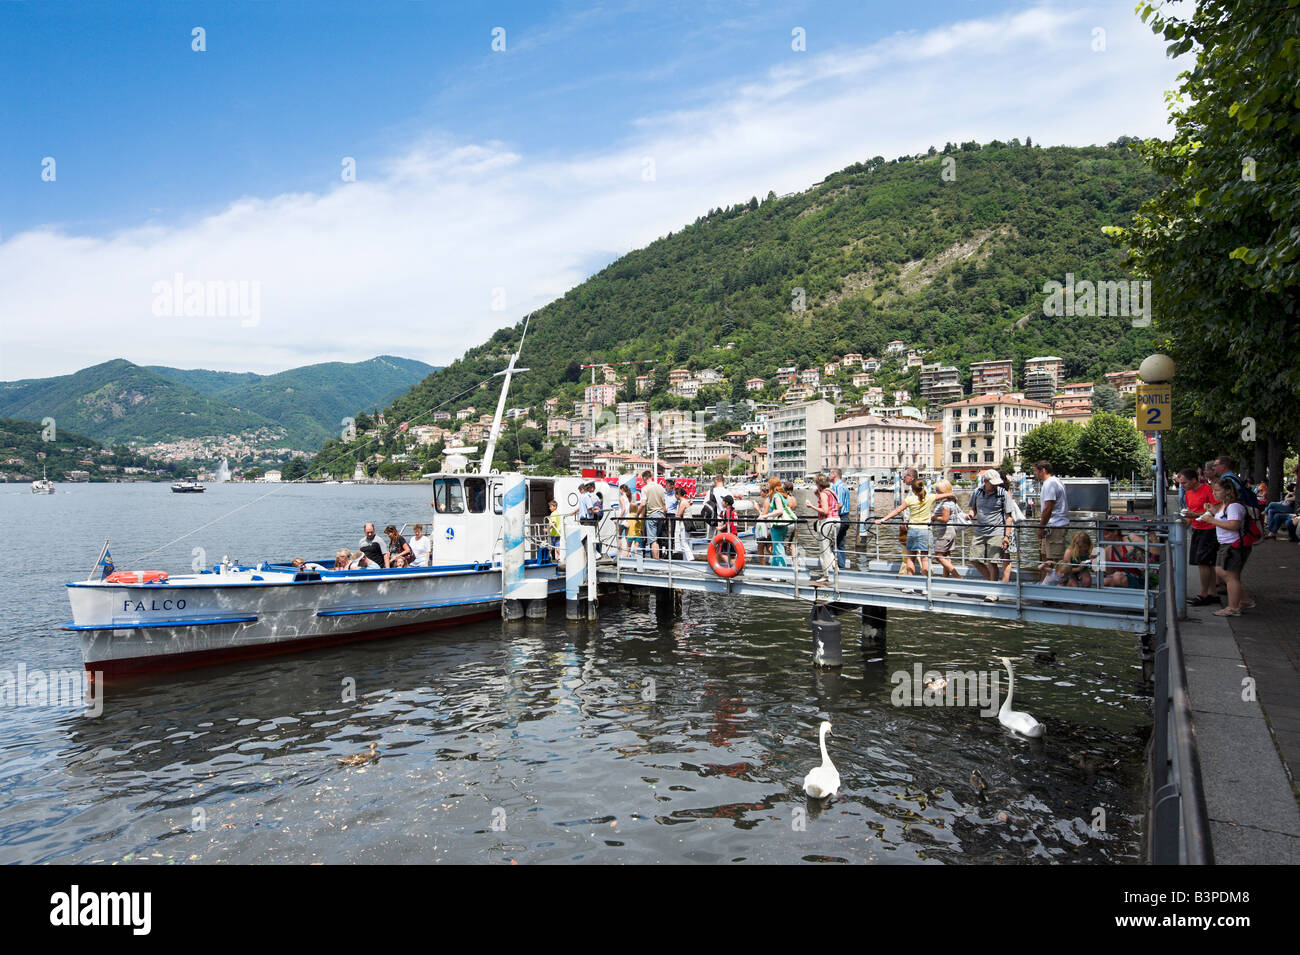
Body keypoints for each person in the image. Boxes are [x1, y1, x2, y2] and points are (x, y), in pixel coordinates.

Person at [1199, 478, 1255, 616]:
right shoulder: (1226, 505)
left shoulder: (1234, 506)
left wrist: (1212, 520)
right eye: (1213, 491)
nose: (1214, 494)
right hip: (1228, 544)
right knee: (1224, 573)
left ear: (1228, 491)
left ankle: (1233, 607)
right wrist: (1213, 511)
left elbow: (1234, 525)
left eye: (1217, 490)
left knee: (1230, 576)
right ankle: (1244, 600)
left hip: (1234, 545)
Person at [967, 470, 1013, 596]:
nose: (994, 486)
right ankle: (992, 583)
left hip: (996, 531)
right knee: (973, 559)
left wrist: (1006, 536)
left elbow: (1009, 517)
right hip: (980, 531)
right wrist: (971, 514)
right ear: (985, 482)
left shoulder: (1003, 494)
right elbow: (973, 508)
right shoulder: (977, 492)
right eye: (992, 483)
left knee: (992, 562)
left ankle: (992, 592)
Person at [1177, 468, 1219, 604]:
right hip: (1198, 529)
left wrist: (1193, 516)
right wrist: (1183, 527)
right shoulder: (1188, 493)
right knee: (1207, 563)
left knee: (1203, 562)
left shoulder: (1207, 490)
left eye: (1184, 483)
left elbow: (1216, 511)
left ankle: (1203, 594)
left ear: (1194, 480)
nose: (1182, 486)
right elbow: (1190, 513)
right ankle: (1212, 593)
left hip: (1210, 529)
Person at [880, 479, 932, 582]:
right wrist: (952, 496)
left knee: (910, 558)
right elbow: (943, 495)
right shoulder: (929, 498)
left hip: (912, 530)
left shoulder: (910, 500)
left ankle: (910, 585)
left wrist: (883, 520)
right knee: (925, 558)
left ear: (913, 490)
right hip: (925, 530)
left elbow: (897, 511)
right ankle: (927, 585)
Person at [1033, 460, 1070, 577]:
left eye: (1035, 471)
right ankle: (1045, 585)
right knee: (1046, 558)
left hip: (1055, 526)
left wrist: (1041, 527)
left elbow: (1048, 508)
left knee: (1054, 560)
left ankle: (1056, 587)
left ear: (1043, 470)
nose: (1034, 474)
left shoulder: (1049, 484)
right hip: (1053, 526)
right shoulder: (1056, 481)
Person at [807, 473, 839, 583]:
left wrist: (811, 506)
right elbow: (838, 505)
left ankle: (827, 575)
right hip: (836, 520)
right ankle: (835, 570)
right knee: (830, 548)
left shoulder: (824, 494)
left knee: (824, 549)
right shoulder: (832, 492)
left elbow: (825, 511)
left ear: (818, 484)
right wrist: (818, 494)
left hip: (827, 521)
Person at [930, 479, 962, 579]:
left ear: (942, 491)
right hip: (951, 530)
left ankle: (957, 576)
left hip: (945, 532)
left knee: (938, 555)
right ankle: (945, 577)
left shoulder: (945, 504)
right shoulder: (952, 501)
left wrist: (934, 517)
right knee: (946, 554)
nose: (936, 492)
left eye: (937, 490)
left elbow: (945, 518)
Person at [768, 476, 794, 567]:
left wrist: (766, 516)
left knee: (778, 549)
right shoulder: (784, 496)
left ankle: (783, 571)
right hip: (783, 526)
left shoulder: (776, 496)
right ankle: (774, 570)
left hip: (777, 526)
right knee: (776, 548)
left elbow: (780, 510)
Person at [640, 471, 667, 559]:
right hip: (661, 515)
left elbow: (643, 504)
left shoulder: (645, 488)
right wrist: (664, 516)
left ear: (644, 478)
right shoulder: (660, 487)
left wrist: (637, 515)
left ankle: (656, 562)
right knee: (657, 539)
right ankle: (657, 559)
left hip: (651, 516)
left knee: (653, 541)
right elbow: (664, 504)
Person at [830, 469, 852, 570]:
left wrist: (828, 513)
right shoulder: (843, 486)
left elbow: (839, 504)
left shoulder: (837, 487)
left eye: (830, 473)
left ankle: (839, 566)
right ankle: (840, 565)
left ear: (834, 475)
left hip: (840, 517)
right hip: (845, 517)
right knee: (840, 543)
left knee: (835, 543)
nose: (828, 476)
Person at [754, 484, 773, 565]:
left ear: (764, 492)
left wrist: (757, 509)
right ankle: (779, 561)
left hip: (765, 527)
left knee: (760, 547)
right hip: (770, 526)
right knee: (769, 547)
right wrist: (761, 507)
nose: (760, 493)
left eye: (761, 491)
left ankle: (764, 567)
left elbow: (763, 516)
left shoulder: (767, 501)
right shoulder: (771, 500)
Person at [546, 499, 564, 563]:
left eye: (550, 506)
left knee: (550, 546)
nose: (549, 508)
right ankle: (558, 558)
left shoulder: (553, 514)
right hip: (558, 532)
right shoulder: (557, 513)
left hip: (553, 533)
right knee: (557, 546)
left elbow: (554, 523)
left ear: (554, 506)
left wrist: (547, 529)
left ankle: (548, 558)